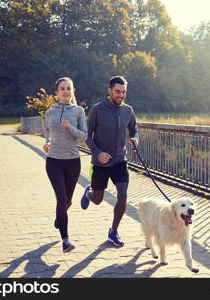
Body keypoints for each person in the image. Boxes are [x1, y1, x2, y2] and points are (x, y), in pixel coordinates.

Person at [80, 76, 138, 247]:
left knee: (123, 195)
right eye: (118, 91)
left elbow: (134, 129)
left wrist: (135, 138)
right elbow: (87, 135)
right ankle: (89, 192)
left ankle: (113, 231)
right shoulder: (97, 110)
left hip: (120, 160)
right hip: (101, 163)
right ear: (110, 91)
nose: (121, 95)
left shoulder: (128, 110)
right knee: (97, 199)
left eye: (124, 92)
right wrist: (97, 153)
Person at [43, 77, 87, 253]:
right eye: (62, 88)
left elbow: (84, 136)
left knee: (67, 201)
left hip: (73, 162)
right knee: (61, 199)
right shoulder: (50, 112)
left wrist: (69, 127)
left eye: (69, 88)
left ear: (72, 91)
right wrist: (47, 142)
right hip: (54, 162)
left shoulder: (78, 111)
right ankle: (66, 240)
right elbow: (47, 130)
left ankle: (59, 217)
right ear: (57, 92)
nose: (66, 91)